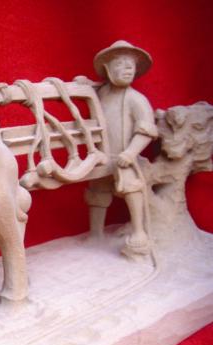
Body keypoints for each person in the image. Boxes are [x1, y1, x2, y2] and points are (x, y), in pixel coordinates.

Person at [84, 40, 158, 257]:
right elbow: (91, 88)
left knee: (132, 188)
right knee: (97, 192)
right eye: (120, 64)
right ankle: (96, 233)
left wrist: (131, 153)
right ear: (107, 69)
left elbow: (146, 130)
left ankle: (139, 232)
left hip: (124, 158)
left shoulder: (136, 99)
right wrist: (84, 84)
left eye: (131, 65)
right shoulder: (102, 93)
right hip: (102, 156)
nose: (127, 69)